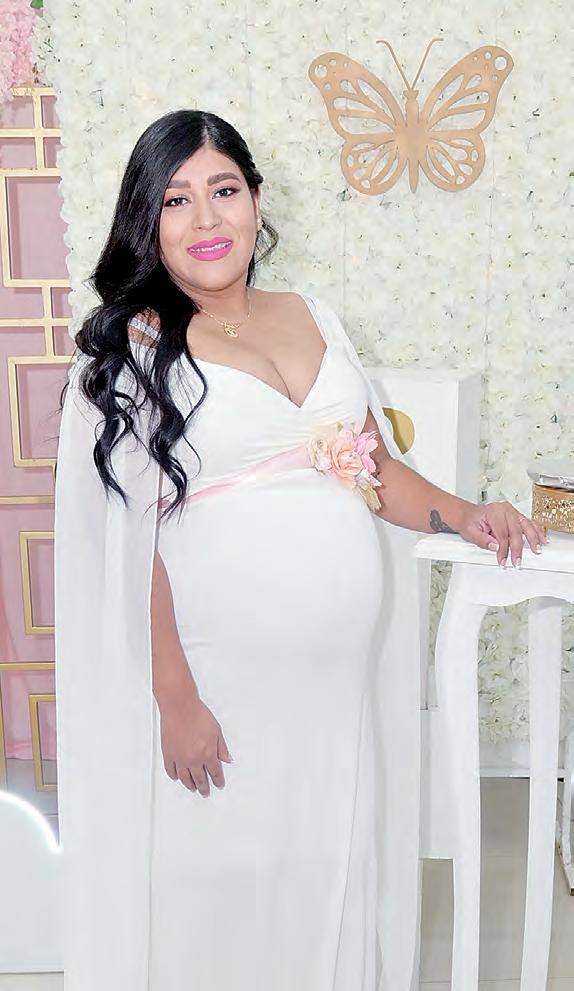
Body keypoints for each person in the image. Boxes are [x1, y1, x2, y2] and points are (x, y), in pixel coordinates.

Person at [53, 108, 547, 991]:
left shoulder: (310, 314)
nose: (206, 219)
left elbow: (375, 471)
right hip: (217, 680)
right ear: (145, 220)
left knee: (320, 872)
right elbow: (132, 544)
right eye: (176, 199)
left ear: (256, 200)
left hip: (329, 690)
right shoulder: (134, 347)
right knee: (219, 886)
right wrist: (175, 696)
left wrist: (467, 514)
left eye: (224, 190)